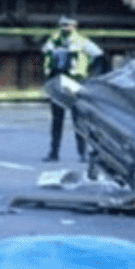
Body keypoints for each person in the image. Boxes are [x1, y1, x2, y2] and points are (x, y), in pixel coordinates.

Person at [42, 16, 105, 162]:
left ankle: (82, 153)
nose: (66, 28)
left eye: (69, 25)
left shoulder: (82, 41)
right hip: (58, 82)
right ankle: (53, 152)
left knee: (78, 120)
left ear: (75, 26)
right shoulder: (53, 41)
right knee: (57, 120)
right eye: (63, 25)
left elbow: (99, 55)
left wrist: (91, 75)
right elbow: (46, 58)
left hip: (75, 82)